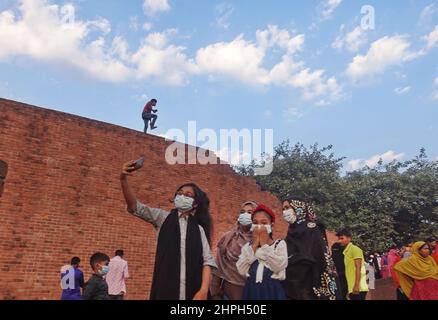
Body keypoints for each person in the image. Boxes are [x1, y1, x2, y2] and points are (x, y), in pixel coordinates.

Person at [120, 159, 216, 300]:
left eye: (188, 195)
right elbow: (135, 207)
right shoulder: (163, 218)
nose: (182, 196)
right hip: (165, 288)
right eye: (180, 193)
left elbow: (207, 261)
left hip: (194, 292)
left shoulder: (199, 230)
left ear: (195, 204)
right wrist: (123, 178)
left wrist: (203, 290)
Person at [281, 195, 338, 300]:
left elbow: (320, 259)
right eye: (283, 209)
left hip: (310, 286)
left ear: (299, 207)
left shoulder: (311, 229)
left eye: (287, 208)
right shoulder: (291, 232)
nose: (285, 212)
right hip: (292, 287)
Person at [236, 204, 288, 300]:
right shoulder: (247, 247)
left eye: (264, 223)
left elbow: (279, 266)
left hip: (272, 291)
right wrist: (255, 245)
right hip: (251, 291)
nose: (259, 226)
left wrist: (264, 244)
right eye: (255, 222)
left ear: (271, 225)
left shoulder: (279, 244)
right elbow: (241, 269)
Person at [210, 201, 257, 300]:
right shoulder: (228, 238)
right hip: (228, 293)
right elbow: (218, 266)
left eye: (250, 212)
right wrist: (214, 293)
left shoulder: (261, 240)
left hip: (253, 293)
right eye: (242, 212)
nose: (245, 215)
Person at [337, 229, 368, 300]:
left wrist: (356, 285)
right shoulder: (346, 252)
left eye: (342, 238)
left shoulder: (355, 249)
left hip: (359, 287)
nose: (339, 241)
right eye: (339, 239)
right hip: (352, 287)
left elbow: (358, 268)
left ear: (349, 238)